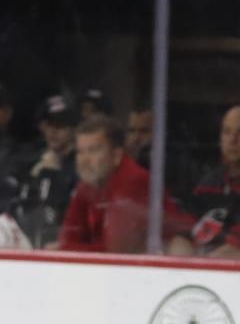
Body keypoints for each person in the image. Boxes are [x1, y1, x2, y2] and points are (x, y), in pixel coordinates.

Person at [57, 114, 161, 254]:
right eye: (80, 152)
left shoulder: (133, 181)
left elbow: (116, 252)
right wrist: (64, 248)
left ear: (116, 156)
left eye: (93, 150)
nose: (84, 160)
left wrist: (64, 250)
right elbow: (68, 237)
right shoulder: (89, 182)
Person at [167, 104, 240, 259]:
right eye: (227, 132)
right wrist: (181, 255)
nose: (233, 140)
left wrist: (201, 266)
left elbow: (234, 250)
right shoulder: (209, 182)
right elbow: (183, 232)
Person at [12, 96, 77, 248]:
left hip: (63, 240)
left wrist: (51, 174)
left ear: (73, 128)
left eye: (60, 125)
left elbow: (64, 210)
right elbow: (23, 205)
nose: (53, 131)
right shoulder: (31, 161)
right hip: (29, 238)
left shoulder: (80, 164)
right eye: (49, 125)